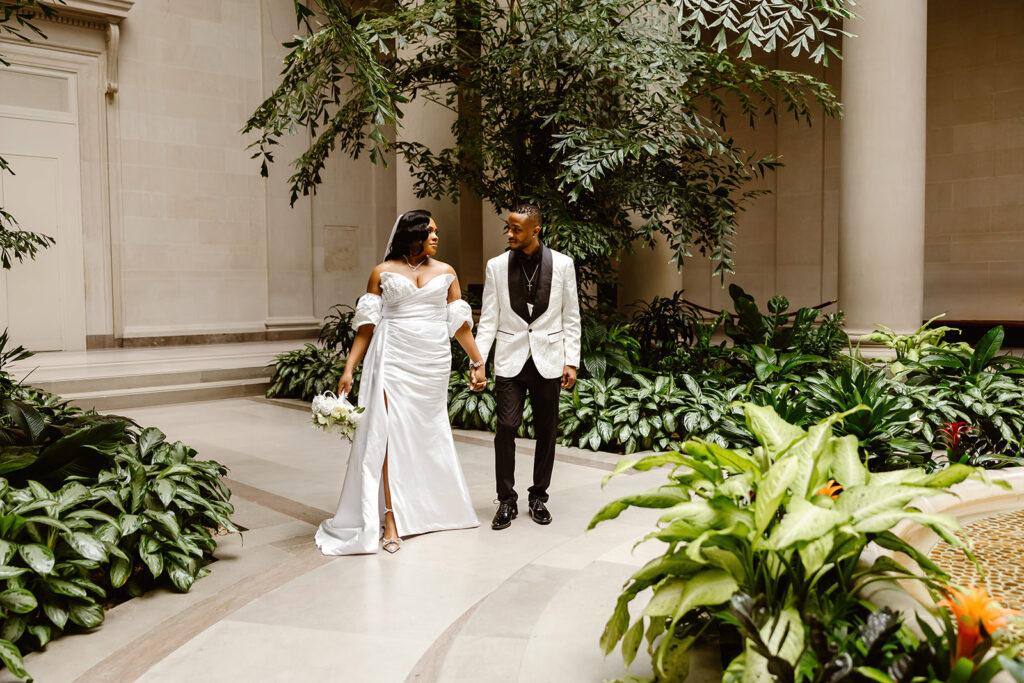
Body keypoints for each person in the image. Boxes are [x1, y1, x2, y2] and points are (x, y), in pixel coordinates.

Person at [315, 210, 485, 555]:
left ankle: (431, 508)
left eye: (436, 231)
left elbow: (460, 326)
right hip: (392, 357)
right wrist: (349, 369)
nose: (436, 236)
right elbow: (366, 327)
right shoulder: (382, 272)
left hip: (432, 361)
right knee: (387, 434)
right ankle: (391, 518)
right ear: (413, 234)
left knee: (427, 433)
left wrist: (477, 360)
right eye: (430, 231)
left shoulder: (447, 272)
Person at [472, 203, 581, 530]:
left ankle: (538, 497)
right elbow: (488, 319)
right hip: (510, 359)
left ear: (536, 230)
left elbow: (571, 316)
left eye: (516, 229)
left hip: (549, 359)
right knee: (506, 426)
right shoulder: (495, 266)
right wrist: (478, 361)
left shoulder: (563, 264)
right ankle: (506, 499)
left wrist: (571, 361)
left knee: (547, 431)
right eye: (508, 227)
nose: (510, 233)